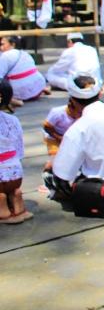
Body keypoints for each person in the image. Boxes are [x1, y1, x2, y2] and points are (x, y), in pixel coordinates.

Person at [0, 82, 33, 224]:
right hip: (15, 175)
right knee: (12, 187)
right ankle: (16, 198)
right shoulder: (12, 120)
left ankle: (2, 205)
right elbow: (19, 152)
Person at [0, 35, 49, 102]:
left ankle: (12, 101)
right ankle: (42, 89)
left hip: (19, 93)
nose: (0, 47)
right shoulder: (25, 53)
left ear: (13, 44)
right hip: (38, 88)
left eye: (2, 44)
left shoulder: (5, 56)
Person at [42, 101, 81, 170]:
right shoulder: (57, 112)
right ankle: (48, 171)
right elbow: (46, 127)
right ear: (70, 108)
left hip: (71, 138)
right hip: (54, 138)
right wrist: (59, 137)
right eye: (78, 112)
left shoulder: (82, 114)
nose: (80, 114)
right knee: (55, 163)